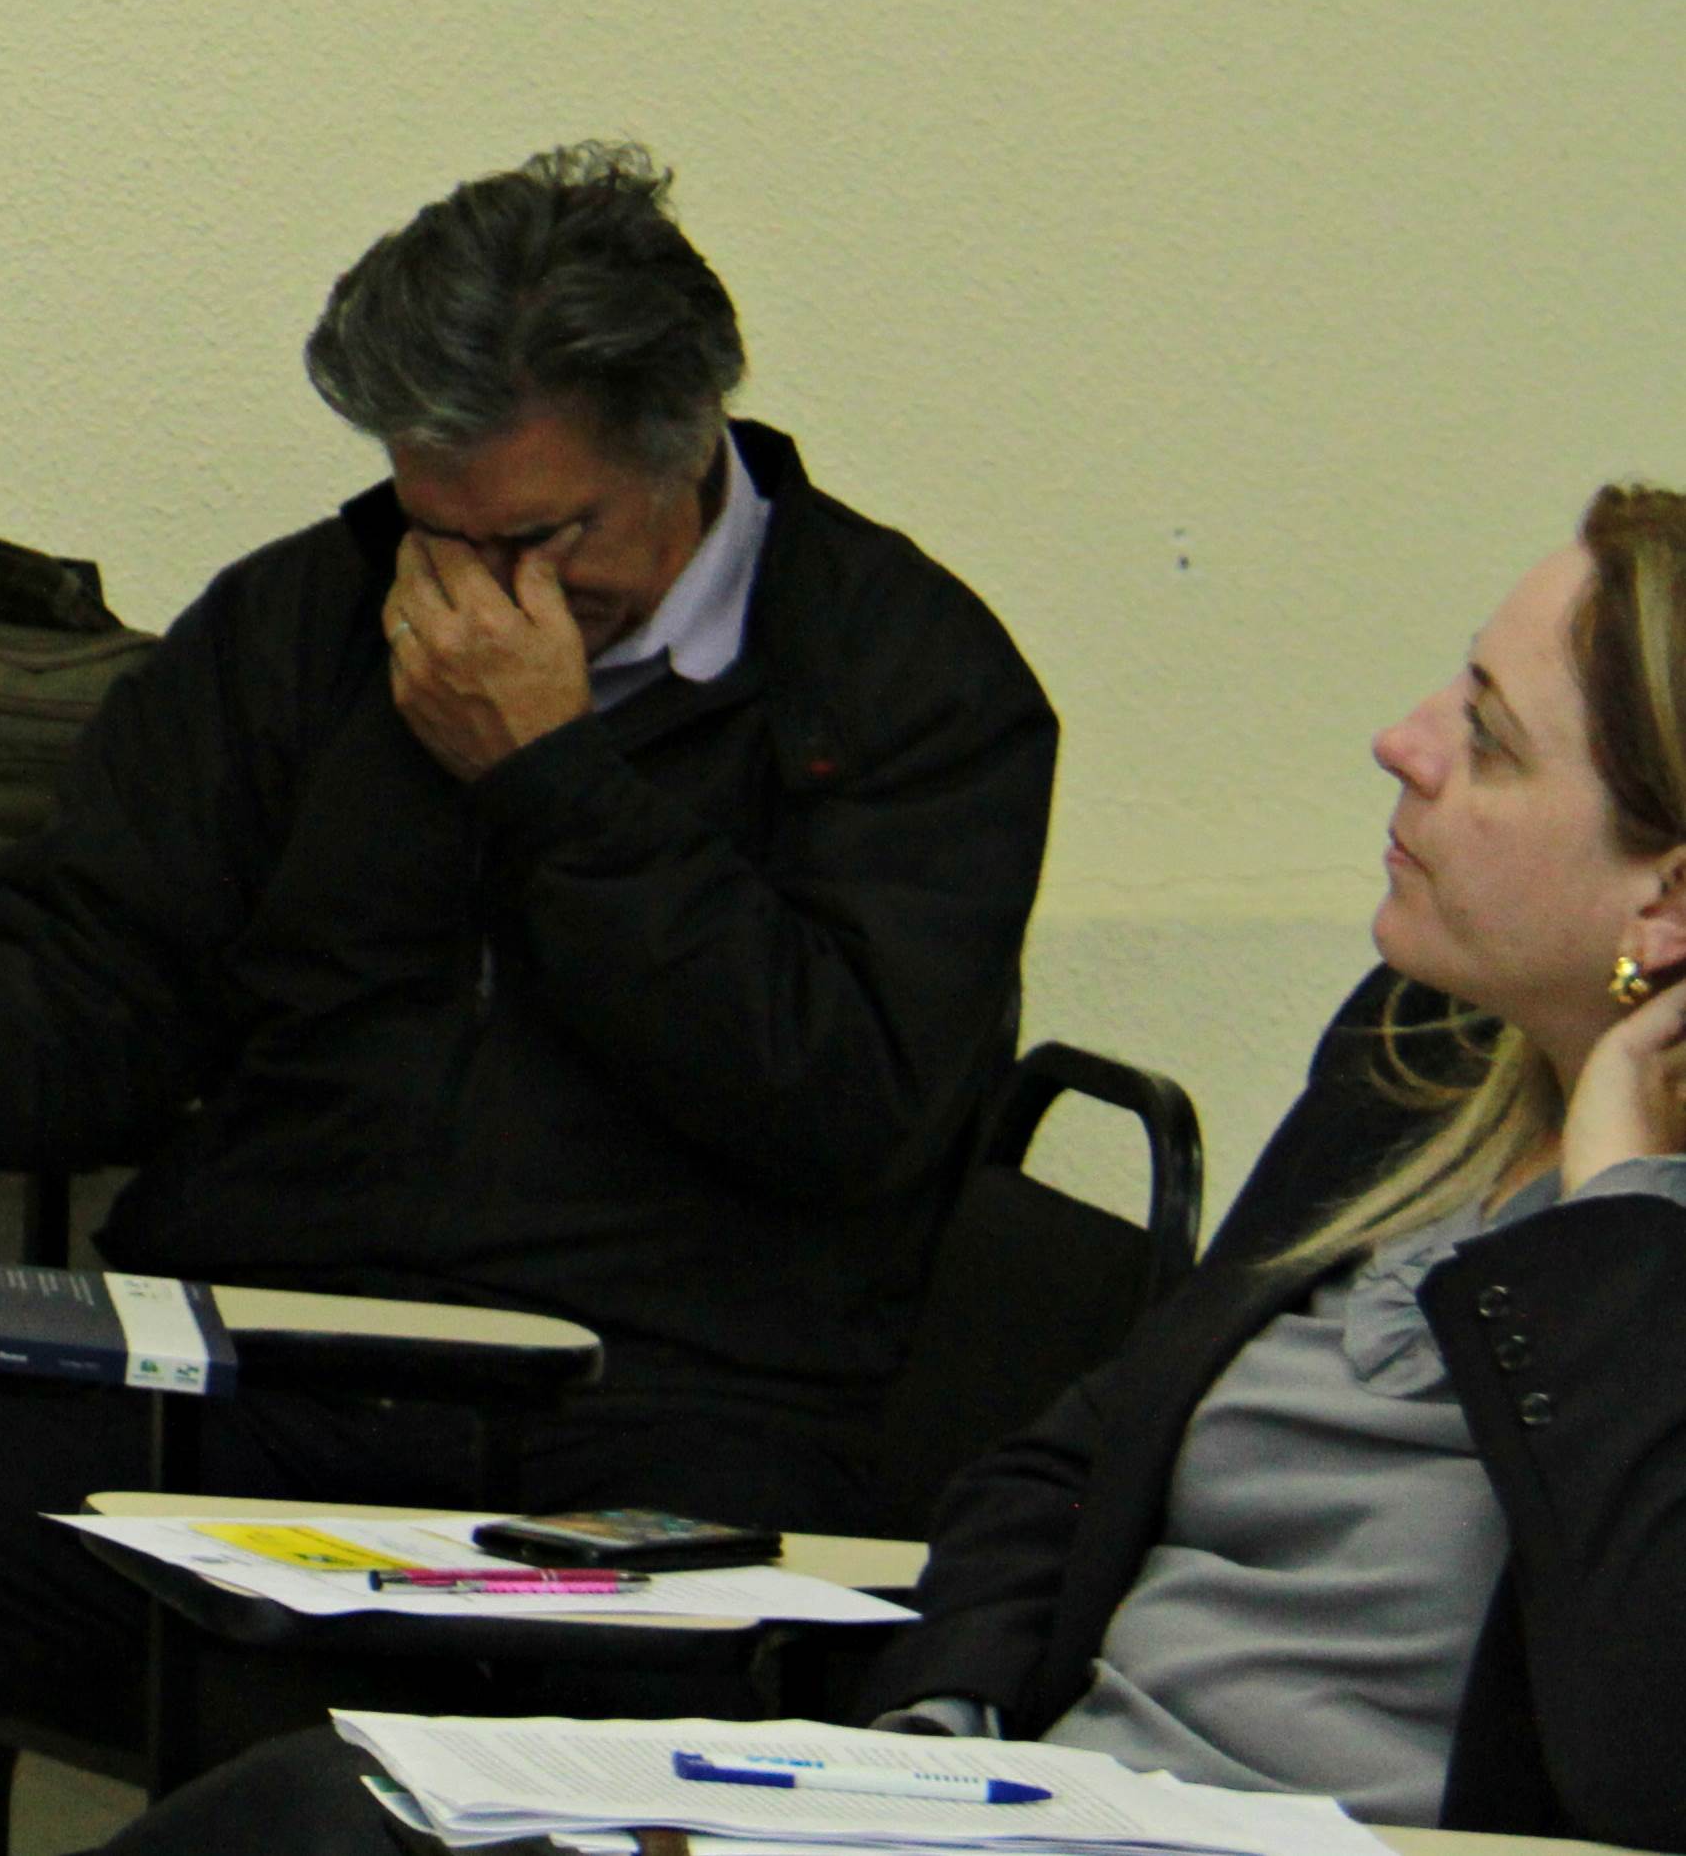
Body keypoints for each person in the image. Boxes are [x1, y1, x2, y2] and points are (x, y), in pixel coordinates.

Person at [0, 144, 1060, 1856]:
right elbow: (104, 949)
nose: (465, 590)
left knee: (544, 1794)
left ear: (684, 444)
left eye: (533, 538)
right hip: (270, 1377)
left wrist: (549, 775)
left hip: (666, 1422)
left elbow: (844, 1098)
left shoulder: (906, 678)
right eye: (427, 527)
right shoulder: (301, 621)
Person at [95, 481, 1686, 1853]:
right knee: (323, 1806)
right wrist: (937, 1732)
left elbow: (1645, 1751)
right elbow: (1068, 1463)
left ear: (1665, 903)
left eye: (1486, 741)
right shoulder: (1424, 1061)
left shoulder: (1634, 1245)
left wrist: (1613, 1215)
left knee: (317, 1828)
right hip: (1034, 1812)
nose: (1401, 743)